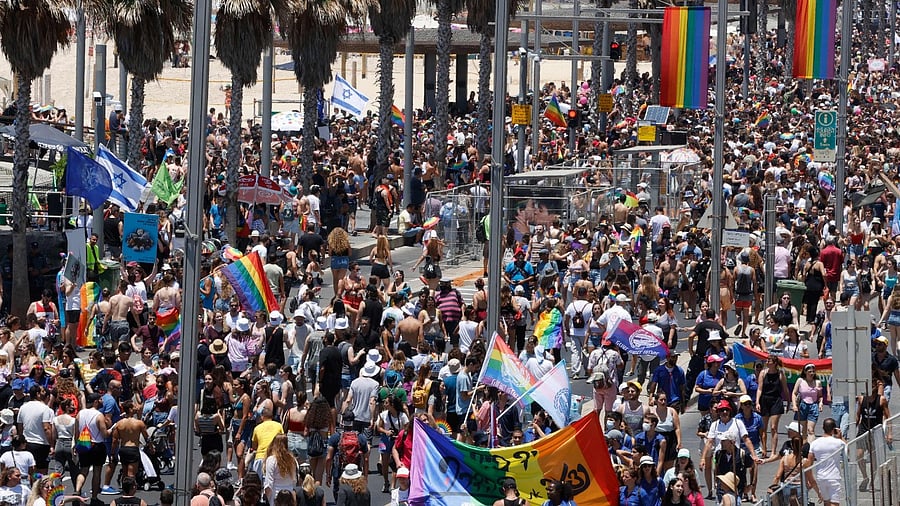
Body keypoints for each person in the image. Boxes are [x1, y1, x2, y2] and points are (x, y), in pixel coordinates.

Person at [804, 418, 845, 506]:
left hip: (821, 476)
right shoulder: (839, 442)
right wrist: (840, 437)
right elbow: (848, 449)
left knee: (826, 502)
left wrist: (810, 479)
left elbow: (809, 462)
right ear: (834, 429)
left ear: (823, 428)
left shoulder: (814, 443)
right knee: (834, 503)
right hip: (834, 476)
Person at [263, 434, 298, 504]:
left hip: (276, 497)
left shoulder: (271, 460)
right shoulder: (293, 460)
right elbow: (294, 480)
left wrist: (267, 500)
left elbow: (269, 484)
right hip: (289, 497)